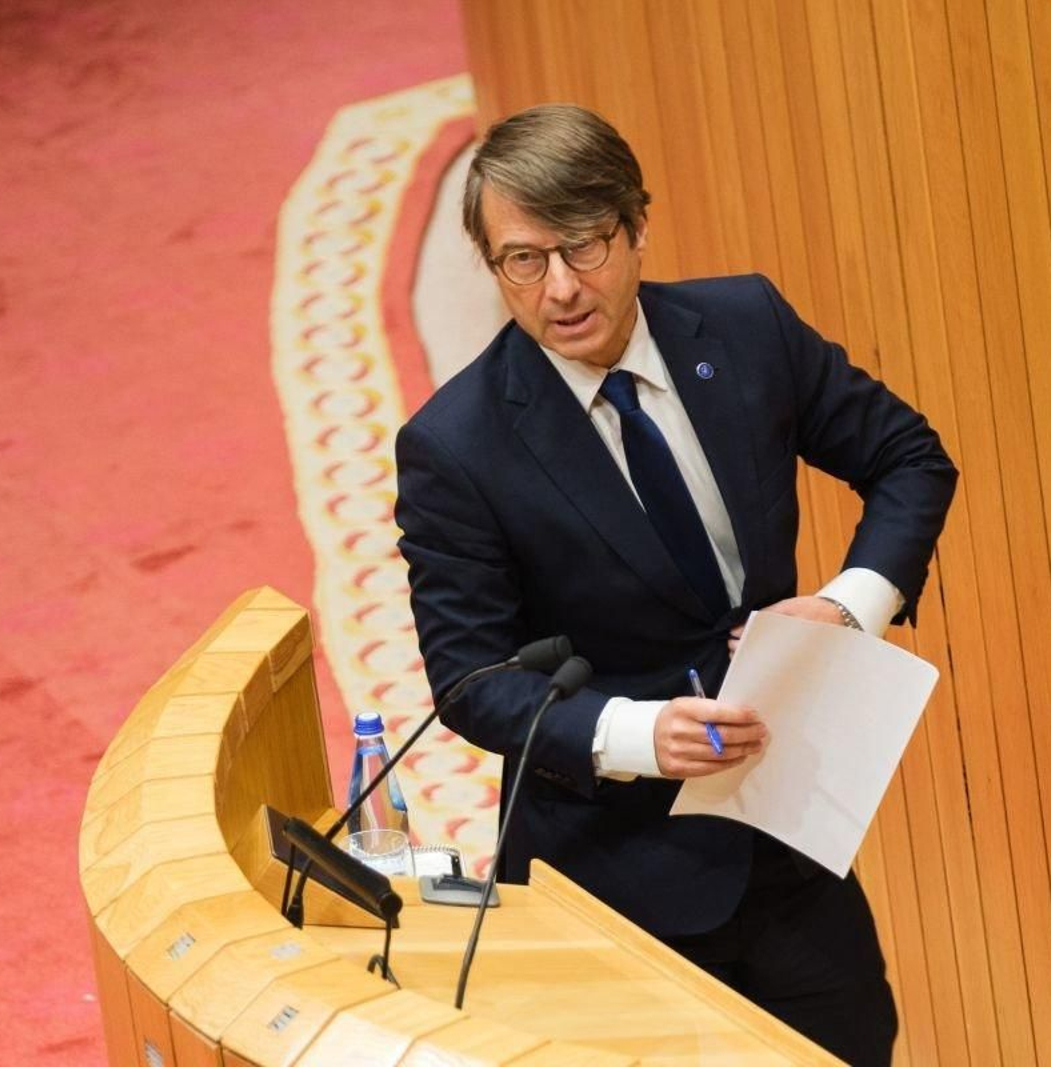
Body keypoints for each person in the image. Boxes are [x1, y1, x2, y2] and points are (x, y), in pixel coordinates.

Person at [394, 104, 956, 1065]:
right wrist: (636, 734)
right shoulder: (456, 447)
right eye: (523, 260)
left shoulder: (744, 328)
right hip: (612, 872)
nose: (560, 288)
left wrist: (846, 607)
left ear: (637, 226)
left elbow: (908, 457)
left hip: (785, 829)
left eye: (584, 245)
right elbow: (473, 679)